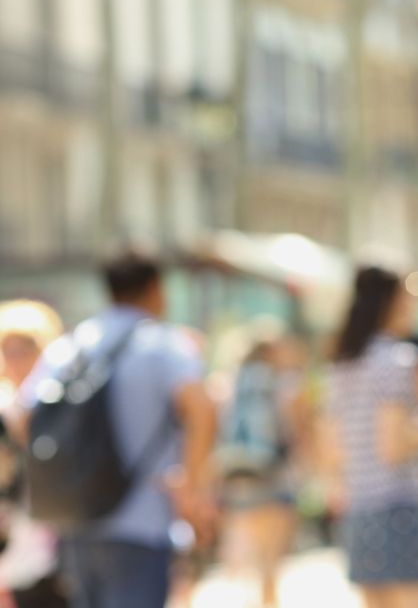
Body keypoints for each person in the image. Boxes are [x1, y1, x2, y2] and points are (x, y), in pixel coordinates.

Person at [22, 253, 218, 608]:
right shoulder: (164, 345)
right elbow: (202, 410)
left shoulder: (72, 345)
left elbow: (26, 415)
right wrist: (191, 484)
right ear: (155, 289)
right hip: (143, 516)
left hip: (76, 516)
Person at [325, 266, 418, 608]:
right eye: (409, 297)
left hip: (358, 501)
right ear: (391, 302)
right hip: (396, 501)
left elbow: (333, 447)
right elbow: (394, 447)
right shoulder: (396, 359)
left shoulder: (341, 364)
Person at [216, 325, 307, 608]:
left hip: (239, 479)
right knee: (271, 567)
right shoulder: (284, 385)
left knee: (248, 567)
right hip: (276, 478)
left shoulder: (228, 384)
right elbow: (297, 430)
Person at [0, 300, 68, 608]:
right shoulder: (5, 407)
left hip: (58, 533)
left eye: (25, 349)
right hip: (14, 534)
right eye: (8, 350)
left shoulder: (64, 403)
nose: (15, 360)